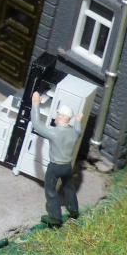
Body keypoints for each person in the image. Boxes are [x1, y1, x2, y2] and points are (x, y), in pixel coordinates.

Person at [31, 91, 84, 227]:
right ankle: (74, 210)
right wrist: (78, 121)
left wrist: (35, 105)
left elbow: (37, 125)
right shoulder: (74, 133)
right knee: (69, 187)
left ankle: (55, 217)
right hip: (67, 166)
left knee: (50, 190)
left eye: (57, 114)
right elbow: (79, 131)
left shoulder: (54, 132)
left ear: (60, 116)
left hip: (55, 166)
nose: (56, 116)